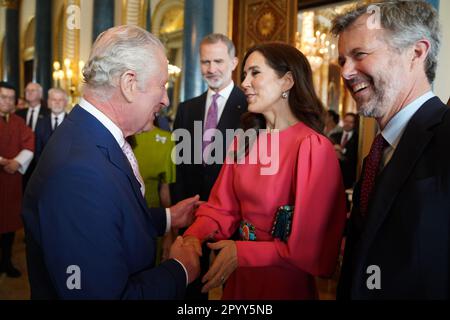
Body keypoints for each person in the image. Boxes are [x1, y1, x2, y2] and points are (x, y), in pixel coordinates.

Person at [22, 25, 201, 299]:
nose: (165, 99)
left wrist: (166, 217)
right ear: (129, 84)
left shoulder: (92, 134)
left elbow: (108, 218)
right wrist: (180, 269)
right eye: (162, 85)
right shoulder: (79, 173)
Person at [183, 43, 347, 299]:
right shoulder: (244, 141)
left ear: (287, 82)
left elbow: (313, 247)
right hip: (238, 277)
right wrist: (194, 236)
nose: (245, 83)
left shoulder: (312, 147)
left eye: (255, 73)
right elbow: (222, 208)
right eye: (244, 75)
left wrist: (243, 253)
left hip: (283, 282)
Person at [332, 1, 449, 299]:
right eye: (342, 60)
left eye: (360, 54)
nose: (345, 72)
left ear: (416, 52)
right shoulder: (378, 150)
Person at [172, 33, 248, 299]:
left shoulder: (251, 108)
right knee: (191, 285)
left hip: (234, 214)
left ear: (234, 62)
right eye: (205, 62)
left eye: (218, 61)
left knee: (234, 287)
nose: (211, 69)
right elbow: (179, 164)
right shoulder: (186, 109)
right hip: (192, 211)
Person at [0, 81, 34, 278]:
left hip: (12, 181)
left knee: (9, 224)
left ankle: (6, 261)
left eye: (11, 98)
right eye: (3, 97)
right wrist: (2, 161)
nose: (7, 101)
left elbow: (29, 143)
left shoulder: (18, 122)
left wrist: (17, 162)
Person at [16, 82, 50, 191]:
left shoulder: (49, 113)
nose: (29, 93)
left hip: (41, 161)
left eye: (32, 90)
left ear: (40, 94)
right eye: (27, 90)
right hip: (21, 162)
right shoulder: (18, 114)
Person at [34, 88, 68, 160]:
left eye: (60, 100)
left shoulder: (74, 123)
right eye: (54, 100)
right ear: (48, 103)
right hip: (45, 167)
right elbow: (37, 150)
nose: (57, 102)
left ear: (66, 103)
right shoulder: (40, 123)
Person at [330, 112, 358, 190]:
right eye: (346, 121)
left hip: (348, 177)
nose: (347, 124)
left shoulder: (358, 139)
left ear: (354, 124)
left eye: (350, 122)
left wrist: (342, 150)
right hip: (333, 175)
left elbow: (355, 156)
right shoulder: (334, 136)